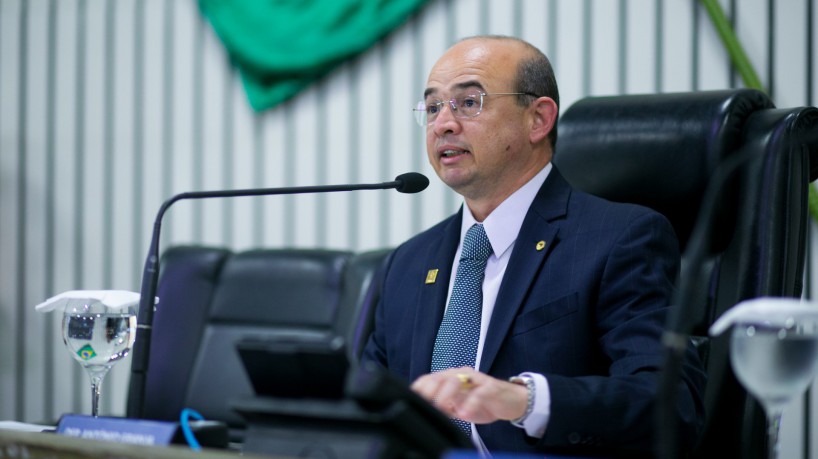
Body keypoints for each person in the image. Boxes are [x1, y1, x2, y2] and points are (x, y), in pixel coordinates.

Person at [361, 35, 705, 456]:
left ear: (538, 119)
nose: (443, 124)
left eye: (469, 103)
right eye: (433, 107)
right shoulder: (408, 263)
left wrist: (523, 401)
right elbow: (366, 408)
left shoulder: (622, 239)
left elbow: (670, 405)